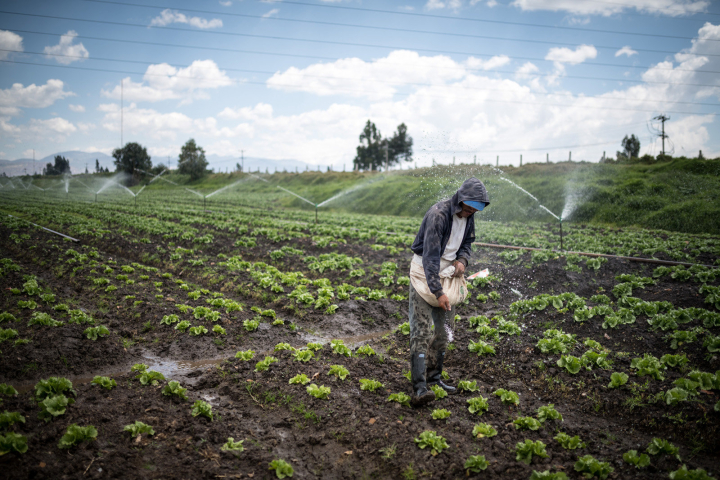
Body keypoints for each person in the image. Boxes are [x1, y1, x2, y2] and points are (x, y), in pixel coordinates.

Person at [408, 177, 489, 406]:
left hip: (448, 274)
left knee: (444, 332)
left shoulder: (468, 216)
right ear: (461, 200)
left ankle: (435, 379)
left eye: (477, 208)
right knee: (421, 331)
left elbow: (467, 243)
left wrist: (462, 260)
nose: (472, 211)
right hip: (425, 274)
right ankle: (419, 388)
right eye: (470, 206)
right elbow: (430, 257)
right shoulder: (439, 215)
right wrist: (438, 292)